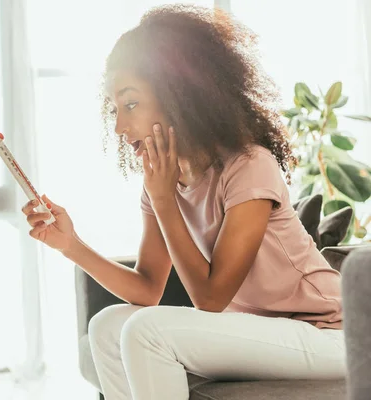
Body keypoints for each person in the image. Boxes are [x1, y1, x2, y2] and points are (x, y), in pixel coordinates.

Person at [22, 4, 345, 400]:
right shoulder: (163, 183)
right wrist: (70, 245)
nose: (121, 126)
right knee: (107, 326)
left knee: (147, 331)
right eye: (114, 109)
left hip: (330, 334)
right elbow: (147, 290)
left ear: (179, 95)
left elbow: (210, 299)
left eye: (131, 103)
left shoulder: (249, 166)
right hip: (262, 330)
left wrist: (163, 202)